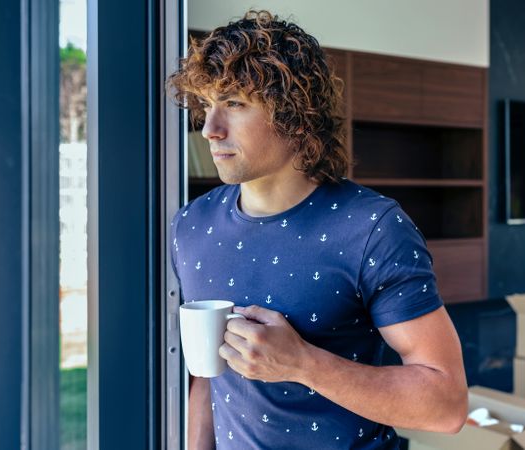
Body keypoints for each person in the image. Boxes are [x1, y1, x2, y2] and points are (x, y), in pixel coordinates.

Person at [167, 10, 468, 449]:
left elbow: (447, 404)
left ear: (295, 115)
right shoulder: (191, 225)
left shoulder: (372, 229)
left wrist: (302, 363)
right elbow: (209, 378)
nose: (210, 129)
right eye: (207, 105)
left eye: (233, 103)